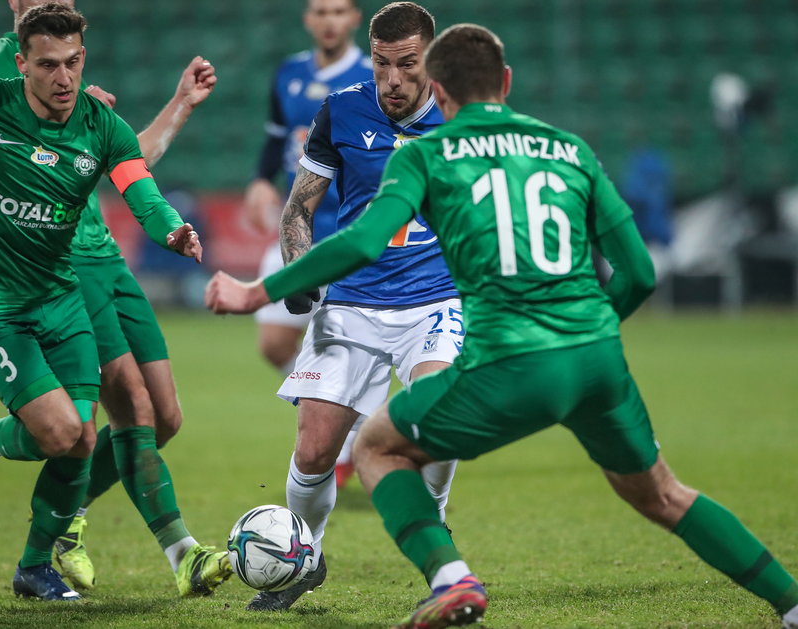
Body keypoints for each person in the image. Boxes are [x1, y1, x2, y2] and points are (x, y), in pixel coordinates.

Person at [205, 22, 798, 629]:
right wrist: (594, 327)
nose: (393, 79)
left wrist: (261, 289)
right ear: (507, 82)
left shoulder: (433, 155)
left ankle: (448, 574)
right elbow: (640, 273)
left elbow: (362, 239)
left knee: (377, 447)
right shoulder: (569, 147)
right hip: (593, 353)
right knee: (665, 495)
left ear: (438, 84)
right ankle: (791, 603)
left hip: (509, 356)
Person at [0, 3, 230, 602]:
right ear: (22, 63)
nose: (64, 78)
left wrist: (170, 231)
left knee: (82, 436)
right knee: (63, 434)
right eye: (50, 65)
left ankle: (34, 566)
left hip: (61, 299)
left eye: (74, 63)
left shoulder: (100, 126)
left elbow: (139, 186)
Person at [0, 0, 224, 594]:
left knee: (164, 418)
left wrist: (179, 103)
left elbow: (127, 163)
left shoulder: (71, 74)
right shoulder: (0, 73)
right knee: (129, 404)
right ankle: (181, 553)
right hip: (61, 267)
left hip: (107, 256)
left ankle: (64, 508)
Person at [232, 1, 462, 612]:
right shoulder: (341, 110)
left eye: (407, 65)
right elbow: (298, 208)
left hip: (436, 300)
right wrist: (298, 268)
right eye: (382, 63)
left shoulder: (462, 119)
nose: (391, 80)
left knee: (432, 423)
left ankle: (435, 534)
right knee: (313, 450)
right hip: (354, 299)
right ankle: (301, 560)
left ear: (431, 62)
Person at [243, 0, 372, 490]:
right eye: (320, 11)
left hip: (344, 232)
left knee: (335, 343)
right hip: (295, 228)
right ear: (308, 19)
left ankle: (341, 437)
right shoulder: (289, 73)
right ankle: (356, 425)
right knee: (274, 340)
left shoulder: (373, 76)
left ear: (355, 18)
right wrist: (259, 181)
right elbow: (275, 139)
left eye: (339, 10)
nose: (329, 20)